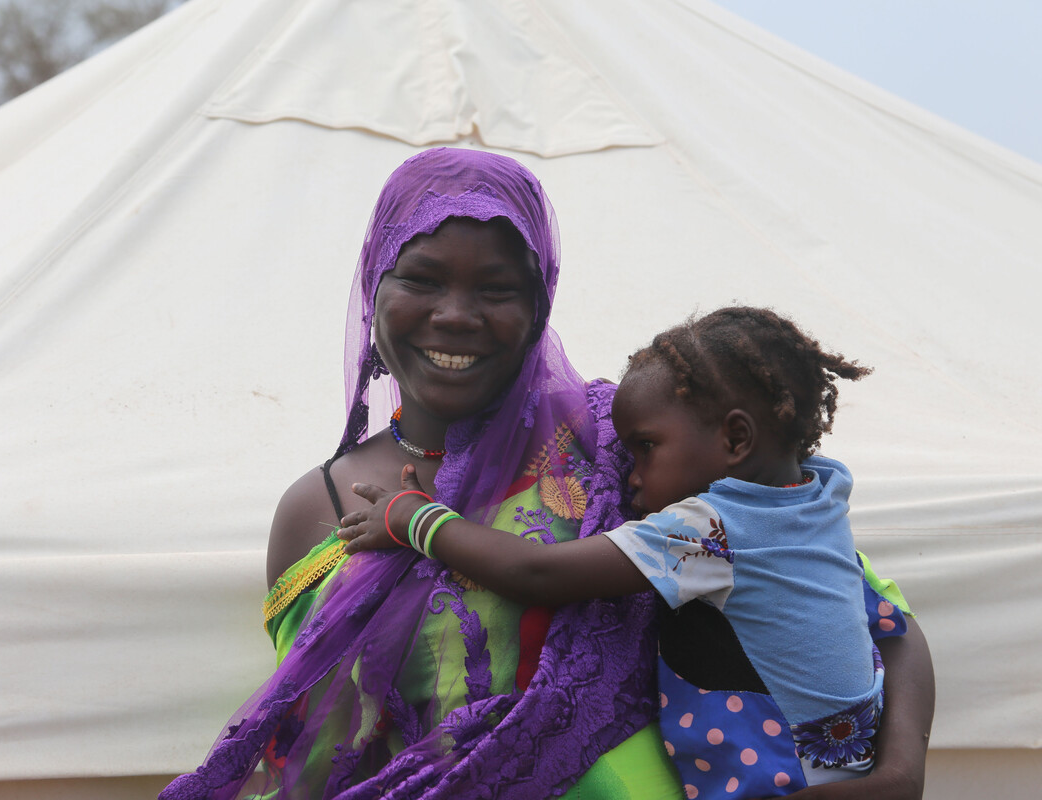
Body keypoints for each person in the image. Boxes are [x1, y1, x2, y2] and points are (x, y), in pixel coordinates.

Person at [162, 149, 933, 800]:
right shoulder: (312, 511)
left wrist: (900, 768)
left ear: (540, 305)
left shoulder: (623, 448)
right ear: (374, 289)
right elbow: (317, 744)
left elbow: (866, 612)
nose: (456, 314)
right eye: (422, 278)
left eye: (498, 289)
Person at [340, 306, 912, 797]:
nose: (628, 475)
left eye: (644, 447)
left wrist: (417, 518)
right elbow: (894, 624)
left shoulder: (709, 530)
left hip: (792, 778)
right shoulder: (819, 491)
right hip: (854, 760)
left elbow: (536, 571)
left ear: (736, 440)